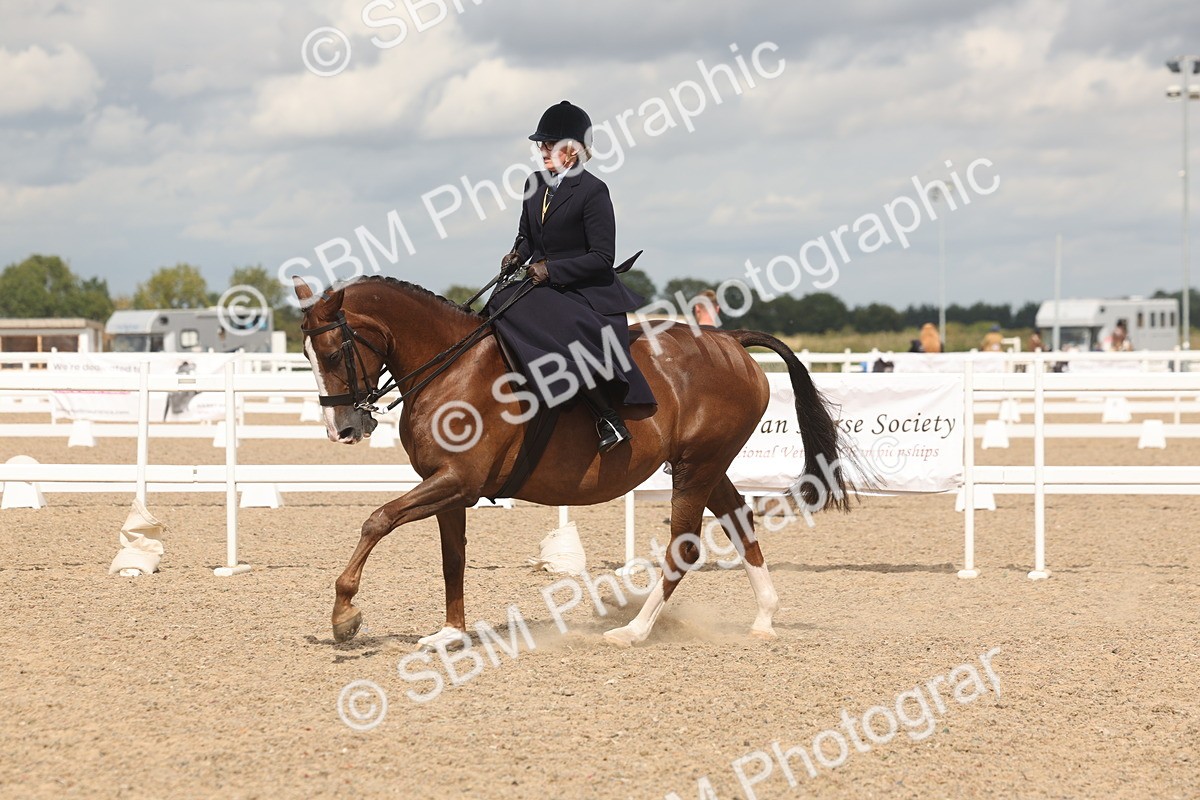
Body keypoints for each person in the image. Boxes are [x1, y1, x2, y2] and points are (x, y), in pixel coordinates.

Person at [486, 100, 654, 453]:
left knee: (540, 317)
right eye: (541, 145)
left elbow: (602, 257)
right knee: (499, 301)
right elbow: (529, 238)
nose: (542, 151)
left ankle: (606, 416)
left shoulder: (593, 191)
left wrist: (550, 269)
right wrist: (516, 255)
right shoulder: (534, 184)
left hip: (586, 294)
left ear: (574, 152)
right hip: (544, 287)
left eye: (550, 145)